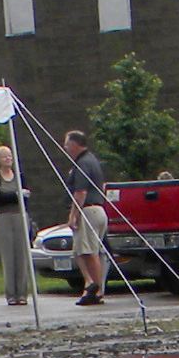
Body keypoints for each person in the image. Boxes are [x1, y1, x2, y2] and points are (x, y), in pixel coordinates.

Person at [62, 130, 107, 306]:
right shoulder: (92, 161)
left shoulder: (82, 163)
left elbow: (80, 192)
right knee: (83, 251)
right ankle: (91, 285)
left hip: (88, 211)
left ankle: (96, 290)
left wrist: (73, 215)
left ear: (75, 144)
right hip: (98, 211)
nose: (65, 147)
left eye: (67, 144)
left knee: (89, 252)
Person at [0, 144, 31, 306]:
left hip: (20, 216)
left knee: (21, 254)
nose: (9, 158)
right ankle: (11, 294)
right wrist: (16, 195)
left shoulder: (19, 175)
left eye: (10, 155)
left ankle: (22, 293)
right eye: (5, 156)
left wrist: (18, 196)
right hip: (3, 218)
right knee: (8, 255)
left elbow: (26, 196)